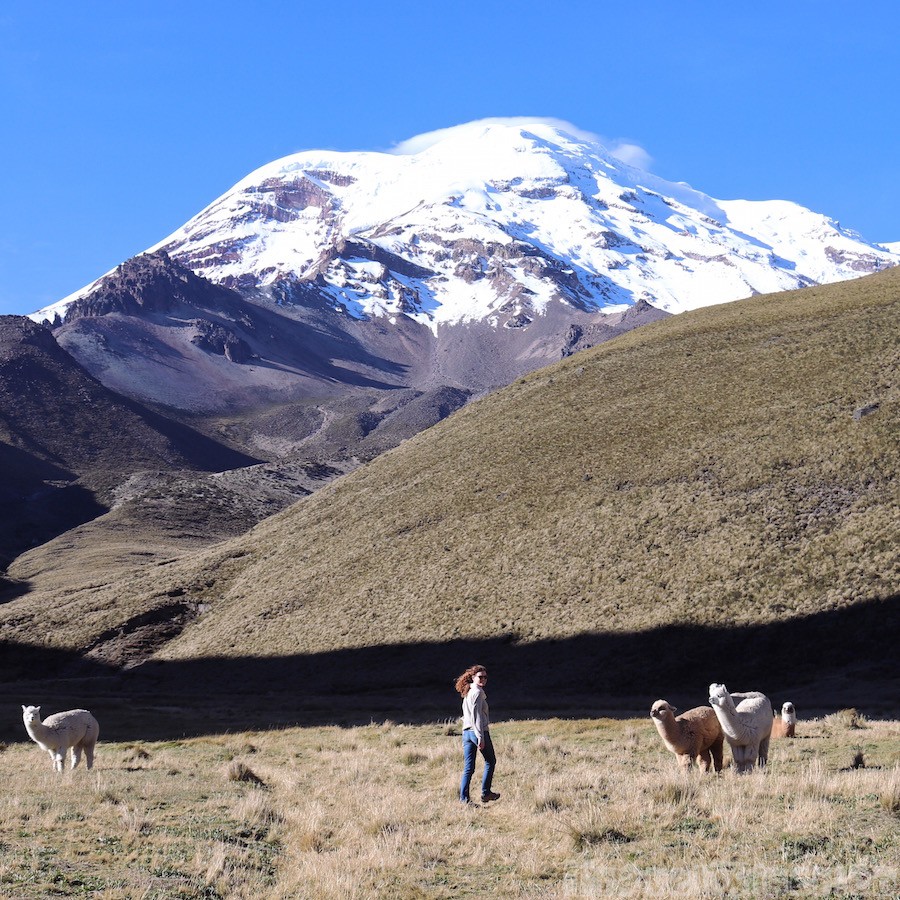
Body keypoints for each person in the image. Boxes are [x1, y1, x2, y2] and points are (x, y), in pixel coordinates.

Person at [454, 664, 500, 804]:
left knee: (468, 768)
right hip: (476, 731)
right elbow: (477, 716)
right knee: (490, 761)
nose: (483, 679)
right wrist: (480, 736)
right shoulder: (477, 693)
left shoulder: (468, 691)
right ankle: (486, 793)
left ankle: (464, 799)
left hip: (466, 732)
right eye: (480, 677)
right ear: (473, 677)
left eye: (485, 677)